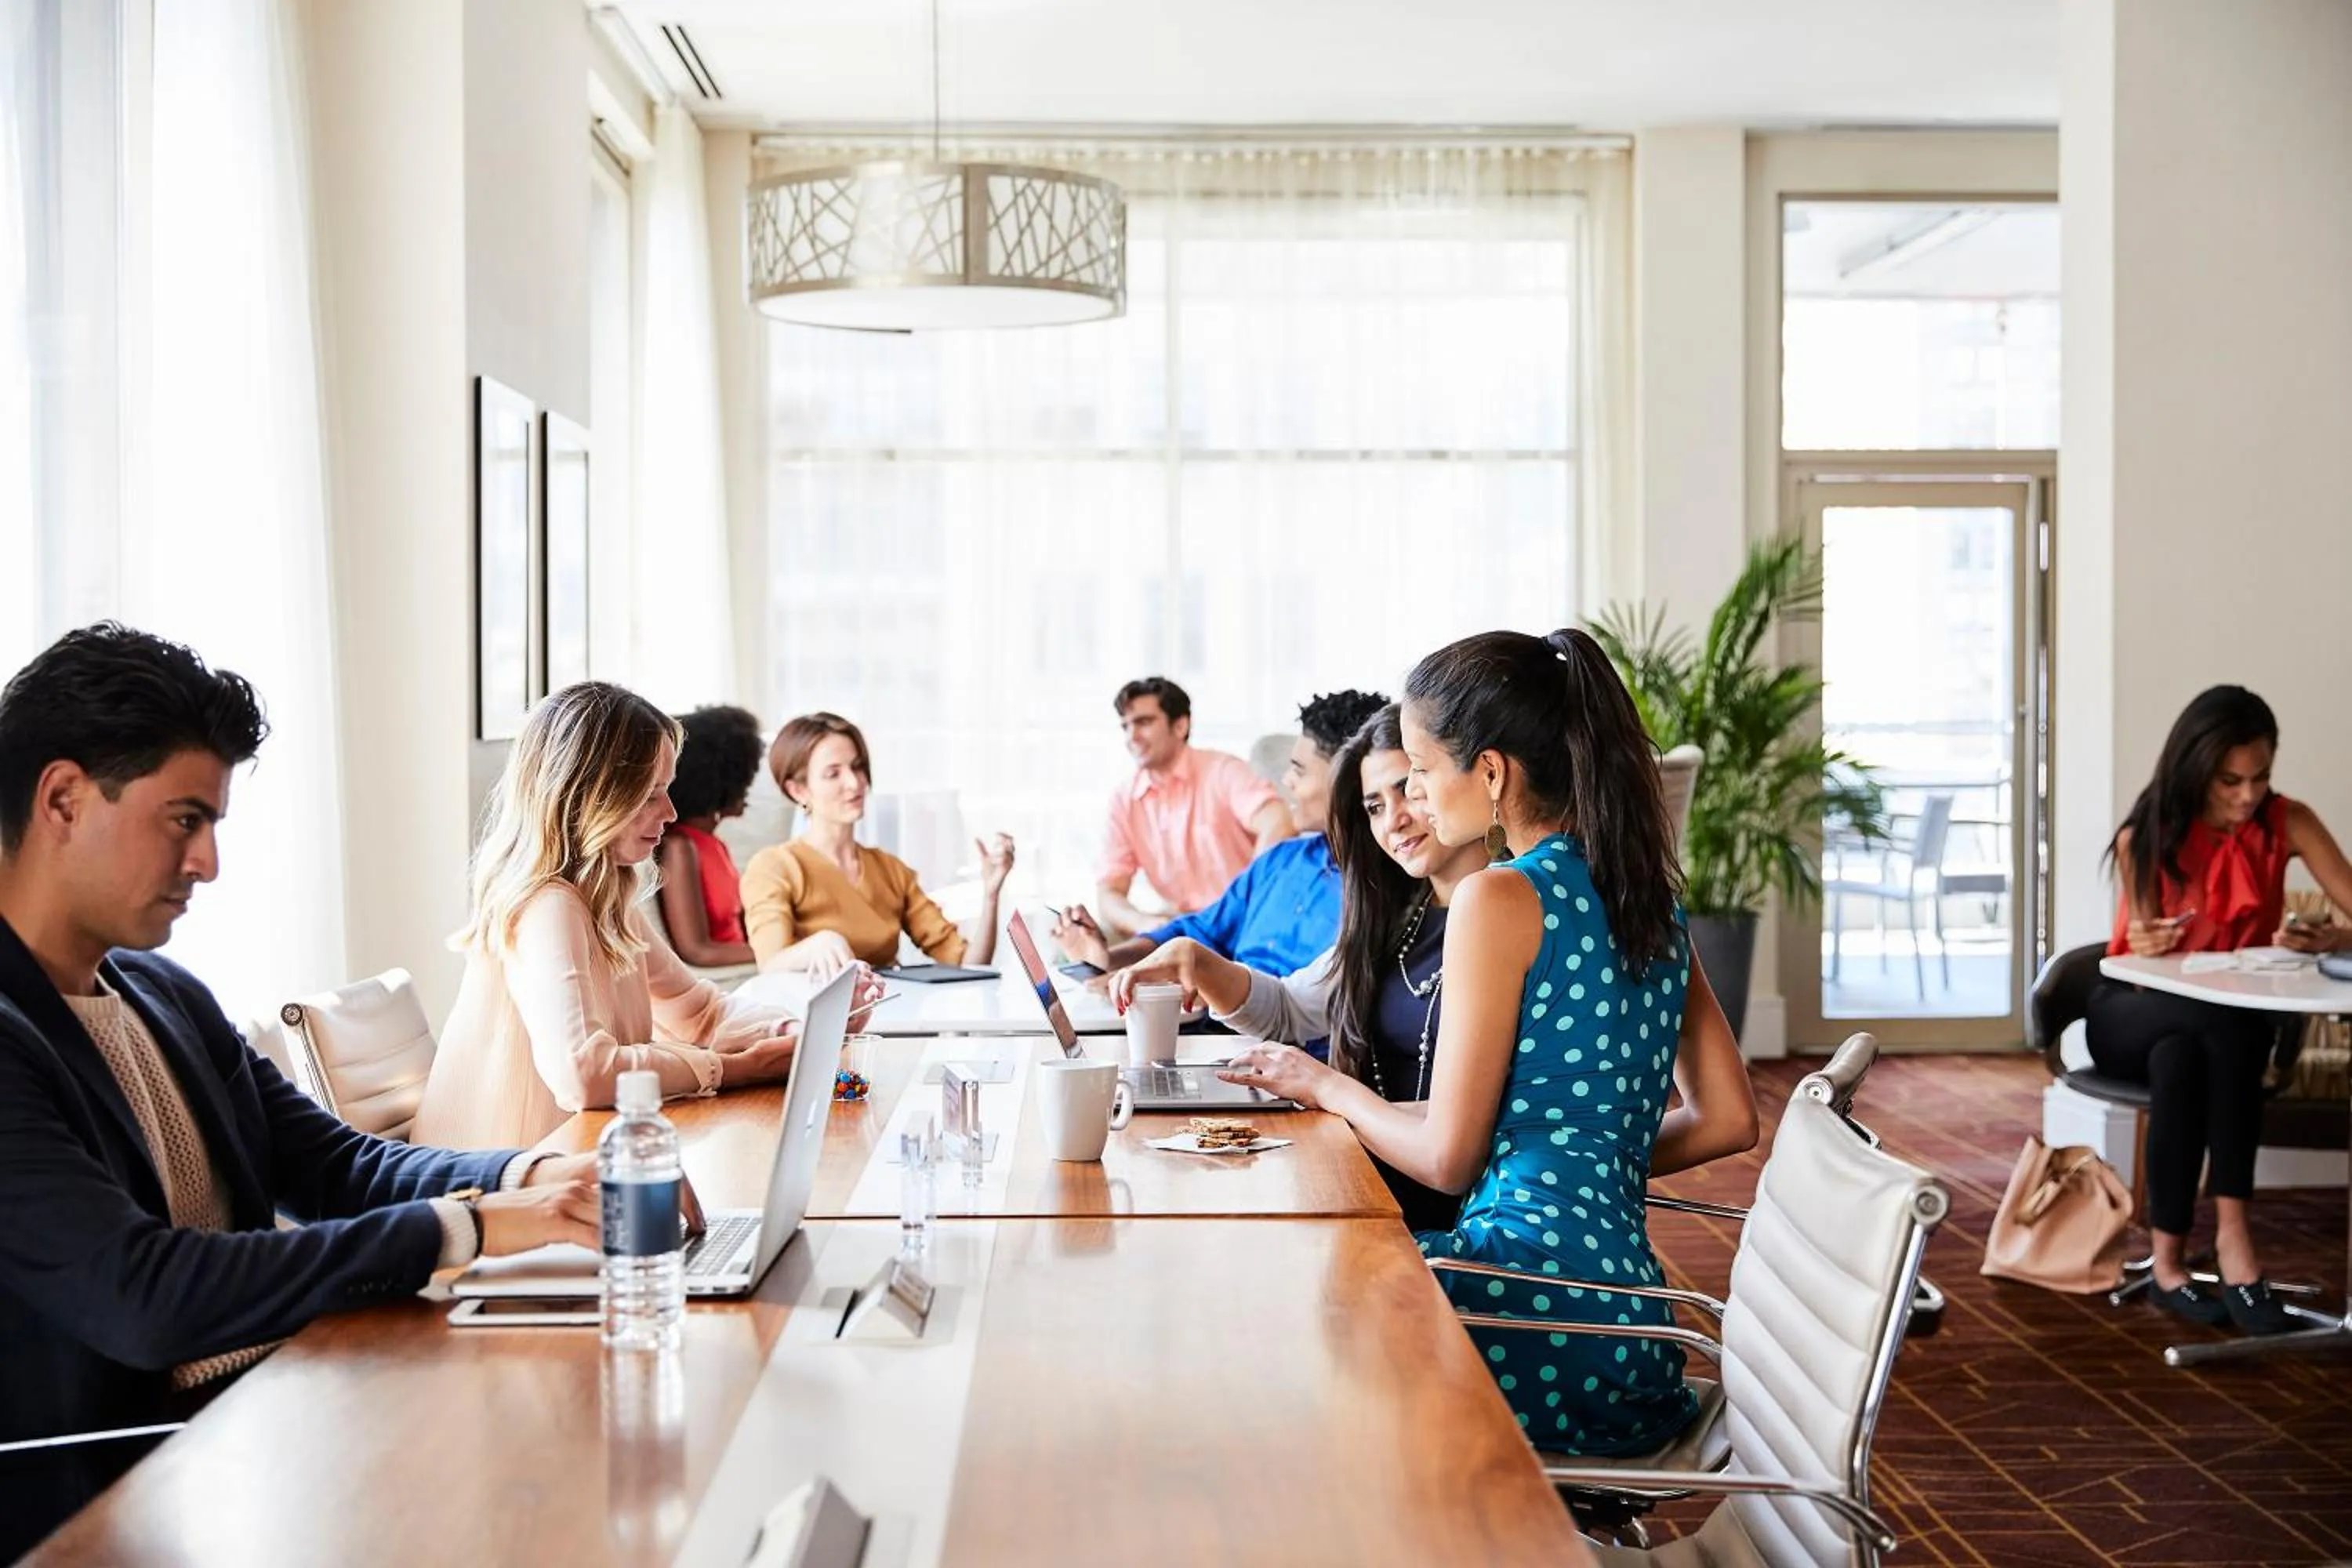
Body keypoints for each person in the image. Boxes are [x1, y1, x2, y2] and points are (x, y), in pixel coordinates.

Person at [0, 626, 628, 1559]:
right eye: (184, 818)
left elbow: (336, 1164)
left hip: (266, 1417)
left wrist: (532, 1169)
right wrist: (475, 1223)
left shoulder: (159, 992)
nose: (208, 861)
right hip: (117, 1494)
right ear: (62, 797)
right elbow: (143, 1294)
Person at [1216, 629, 1758, 1454]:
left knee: (1285, 1326)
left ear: (1494, 772)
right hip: (1631, 1330)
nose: (1420, 801)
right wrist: (1577, 1156)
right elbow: (1727, 1120)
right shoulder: (1643, 893)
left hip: (1527, 1301)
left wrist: (1328, 1086)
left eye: (1426, 772)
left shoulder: (1498, 898)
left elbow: (1447, 1160)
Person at [417, 684, 848, 1149]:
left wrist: (788, 1031)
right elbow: (582, 1075)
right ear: (588, 796)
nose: (671, 812)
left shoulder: (605, 900)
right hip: (506, 1185)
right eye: (650, 795)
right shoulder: (546, 905)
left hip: (572, 1164)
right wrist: (730, 1069)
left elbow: (699, 1011)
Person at [1112, 703, 1490, 1229]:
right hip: (1365, 1176)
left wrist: (1325, 1087)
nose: (1395, 818)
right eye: (1374, 807)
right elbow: (1291, 1008)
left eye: (1409, 788)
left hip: (1446, 1212)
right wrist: (1199, 963)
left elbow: (1466, 1140)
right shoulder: (1396, 918)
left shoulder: (1503, 916)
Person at [2092, 685, 2352, 1334]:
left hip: (2204, 1034)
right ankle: (2236, 1242)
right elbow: (2139, 970)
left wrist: (2330, 936)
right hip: (2130, 1012)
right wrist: (2146, 941)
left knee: (2192, 1055)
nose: (2247, 795)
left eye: (2259, 777)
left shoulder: (2289, 822)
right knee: (2225, 1027)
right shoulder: (2145, 835)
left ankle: (2169, 1268)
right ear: (2195, 770)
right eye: (2229, 780)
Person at [1054, 688, 1386, 982]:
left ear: (1347, 777)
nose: (1286, 781)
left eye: (1299, 770)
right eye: (1126, 725)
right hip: (1219, 1025)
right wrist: (1107, 959)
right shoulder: (1280, 862)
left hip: (1264, 1035)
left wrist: (1214, 979)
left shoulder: (1375, 889)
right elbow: (1192, 931)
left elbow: (1313, 1011)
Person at [739, 712, 1014, 978]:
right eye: (833, 773)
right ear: (798, 790)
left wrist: (991, 893)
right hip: (817, 1023)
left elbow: (969, 965)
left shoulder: (890, 870)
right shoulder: (775, 867)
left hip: (892, 1021)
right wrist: (818, 944)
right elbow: (770, 964)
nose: (855, 782)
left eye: (857, 766)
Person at [1094, 676, 1293, 936]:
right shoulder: (1124, 800)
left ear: (1180, 726)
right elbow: (1109, 891)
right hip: (1188, 929)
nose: (1132, 737)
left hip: (1247, 921)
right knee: (1098, 965)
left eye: (1144, 723)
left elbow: (1278, 822)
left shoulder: (1223, 771)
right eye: (1125, 726)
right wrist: (1144, 923)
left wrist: (1245, 901)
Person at [655, 704, 764, 968]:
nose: (748, 787)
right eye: (744, 776)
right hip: (729, 981)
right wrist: (782, 953)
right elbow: (696, 950)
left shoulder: (715, 844)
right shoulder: (679, 847)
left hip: (753, 970)